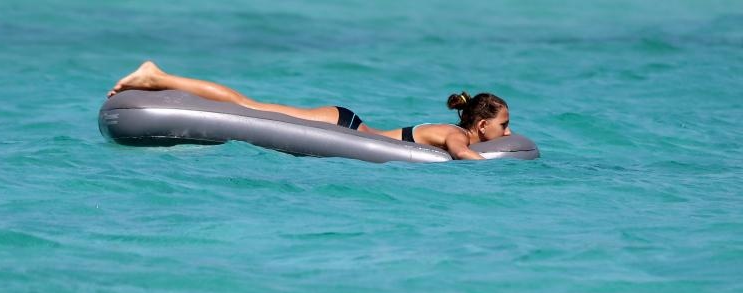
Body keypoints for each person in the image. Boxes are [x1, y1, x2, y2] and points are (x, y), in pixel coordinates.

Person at [108, 61, 512, 160]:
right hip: (343, 125)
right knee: (245, 105)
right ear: (480, 125)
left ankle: (161, 79)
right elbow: (461, 154)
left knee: (248, 104)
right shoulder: (456, 134)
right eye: (504, 126)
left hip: (346, 123)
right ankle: (157, 76)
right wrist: (496, 169)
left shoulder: (451, 128)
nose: (508, 134)